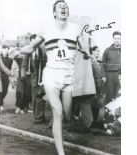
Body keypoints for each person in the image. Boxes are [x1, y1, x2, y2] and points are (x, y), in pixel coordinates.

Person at [10, 1, 86, 154]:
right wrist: (18, 50)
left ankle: (52, 102)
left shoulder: (76, 29)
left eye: (65, 7)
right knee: (57, 112)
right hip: (51, 75)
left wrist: (86, 51)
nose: (63, 9)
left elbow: (85, 47)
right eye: (60, 7)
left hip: (68, 77)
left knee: (66, 114)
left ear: (68, 12)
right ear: (54, 13)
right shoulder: (46, 30)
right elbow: (31, 47)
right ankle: (61, 152)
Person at [102, 31, 121, 104]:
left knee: (119, 97)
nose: (117, 40)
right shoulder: (107, 50)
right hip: (110, 75)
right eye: (115, 38)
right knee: (109, 97)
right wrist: (103, 76)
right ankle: (107, 115)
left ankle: (119, 115)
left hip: (120, 76)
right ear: (113, 39)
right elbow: (103, 64)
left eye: (119, 38)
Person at [0, 45, 14, 112]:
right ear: (2, 49)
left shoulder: (10, 59)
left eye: (7, 49)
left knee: (5, 91)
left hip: (6, 77)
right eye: (5, 49)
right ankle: (0, 105)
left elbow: (10, 68)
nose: (6, 50)